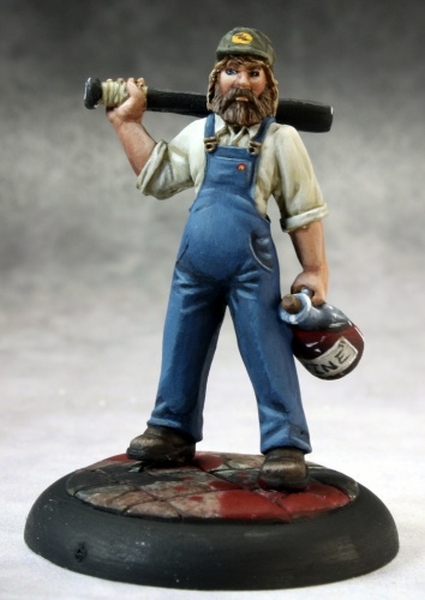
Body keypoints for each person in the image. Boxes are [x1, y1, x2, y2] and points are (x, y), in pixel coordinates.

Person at [107, 28, 329, 490]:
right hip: (194, 268)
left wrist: (314, 269)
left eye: (253, 73)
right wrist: (127, 123)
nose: (241, 82)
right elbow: (158, 177)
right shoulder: (198, 133)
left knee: (267, 348)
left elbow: (303, 212)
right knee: (181, 343)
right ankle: (171, 429)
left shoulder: (281, 140)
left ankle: (285, 443)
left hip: (251, 269)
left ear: (268, 84)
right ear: (215, 80)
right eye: (231, 71)